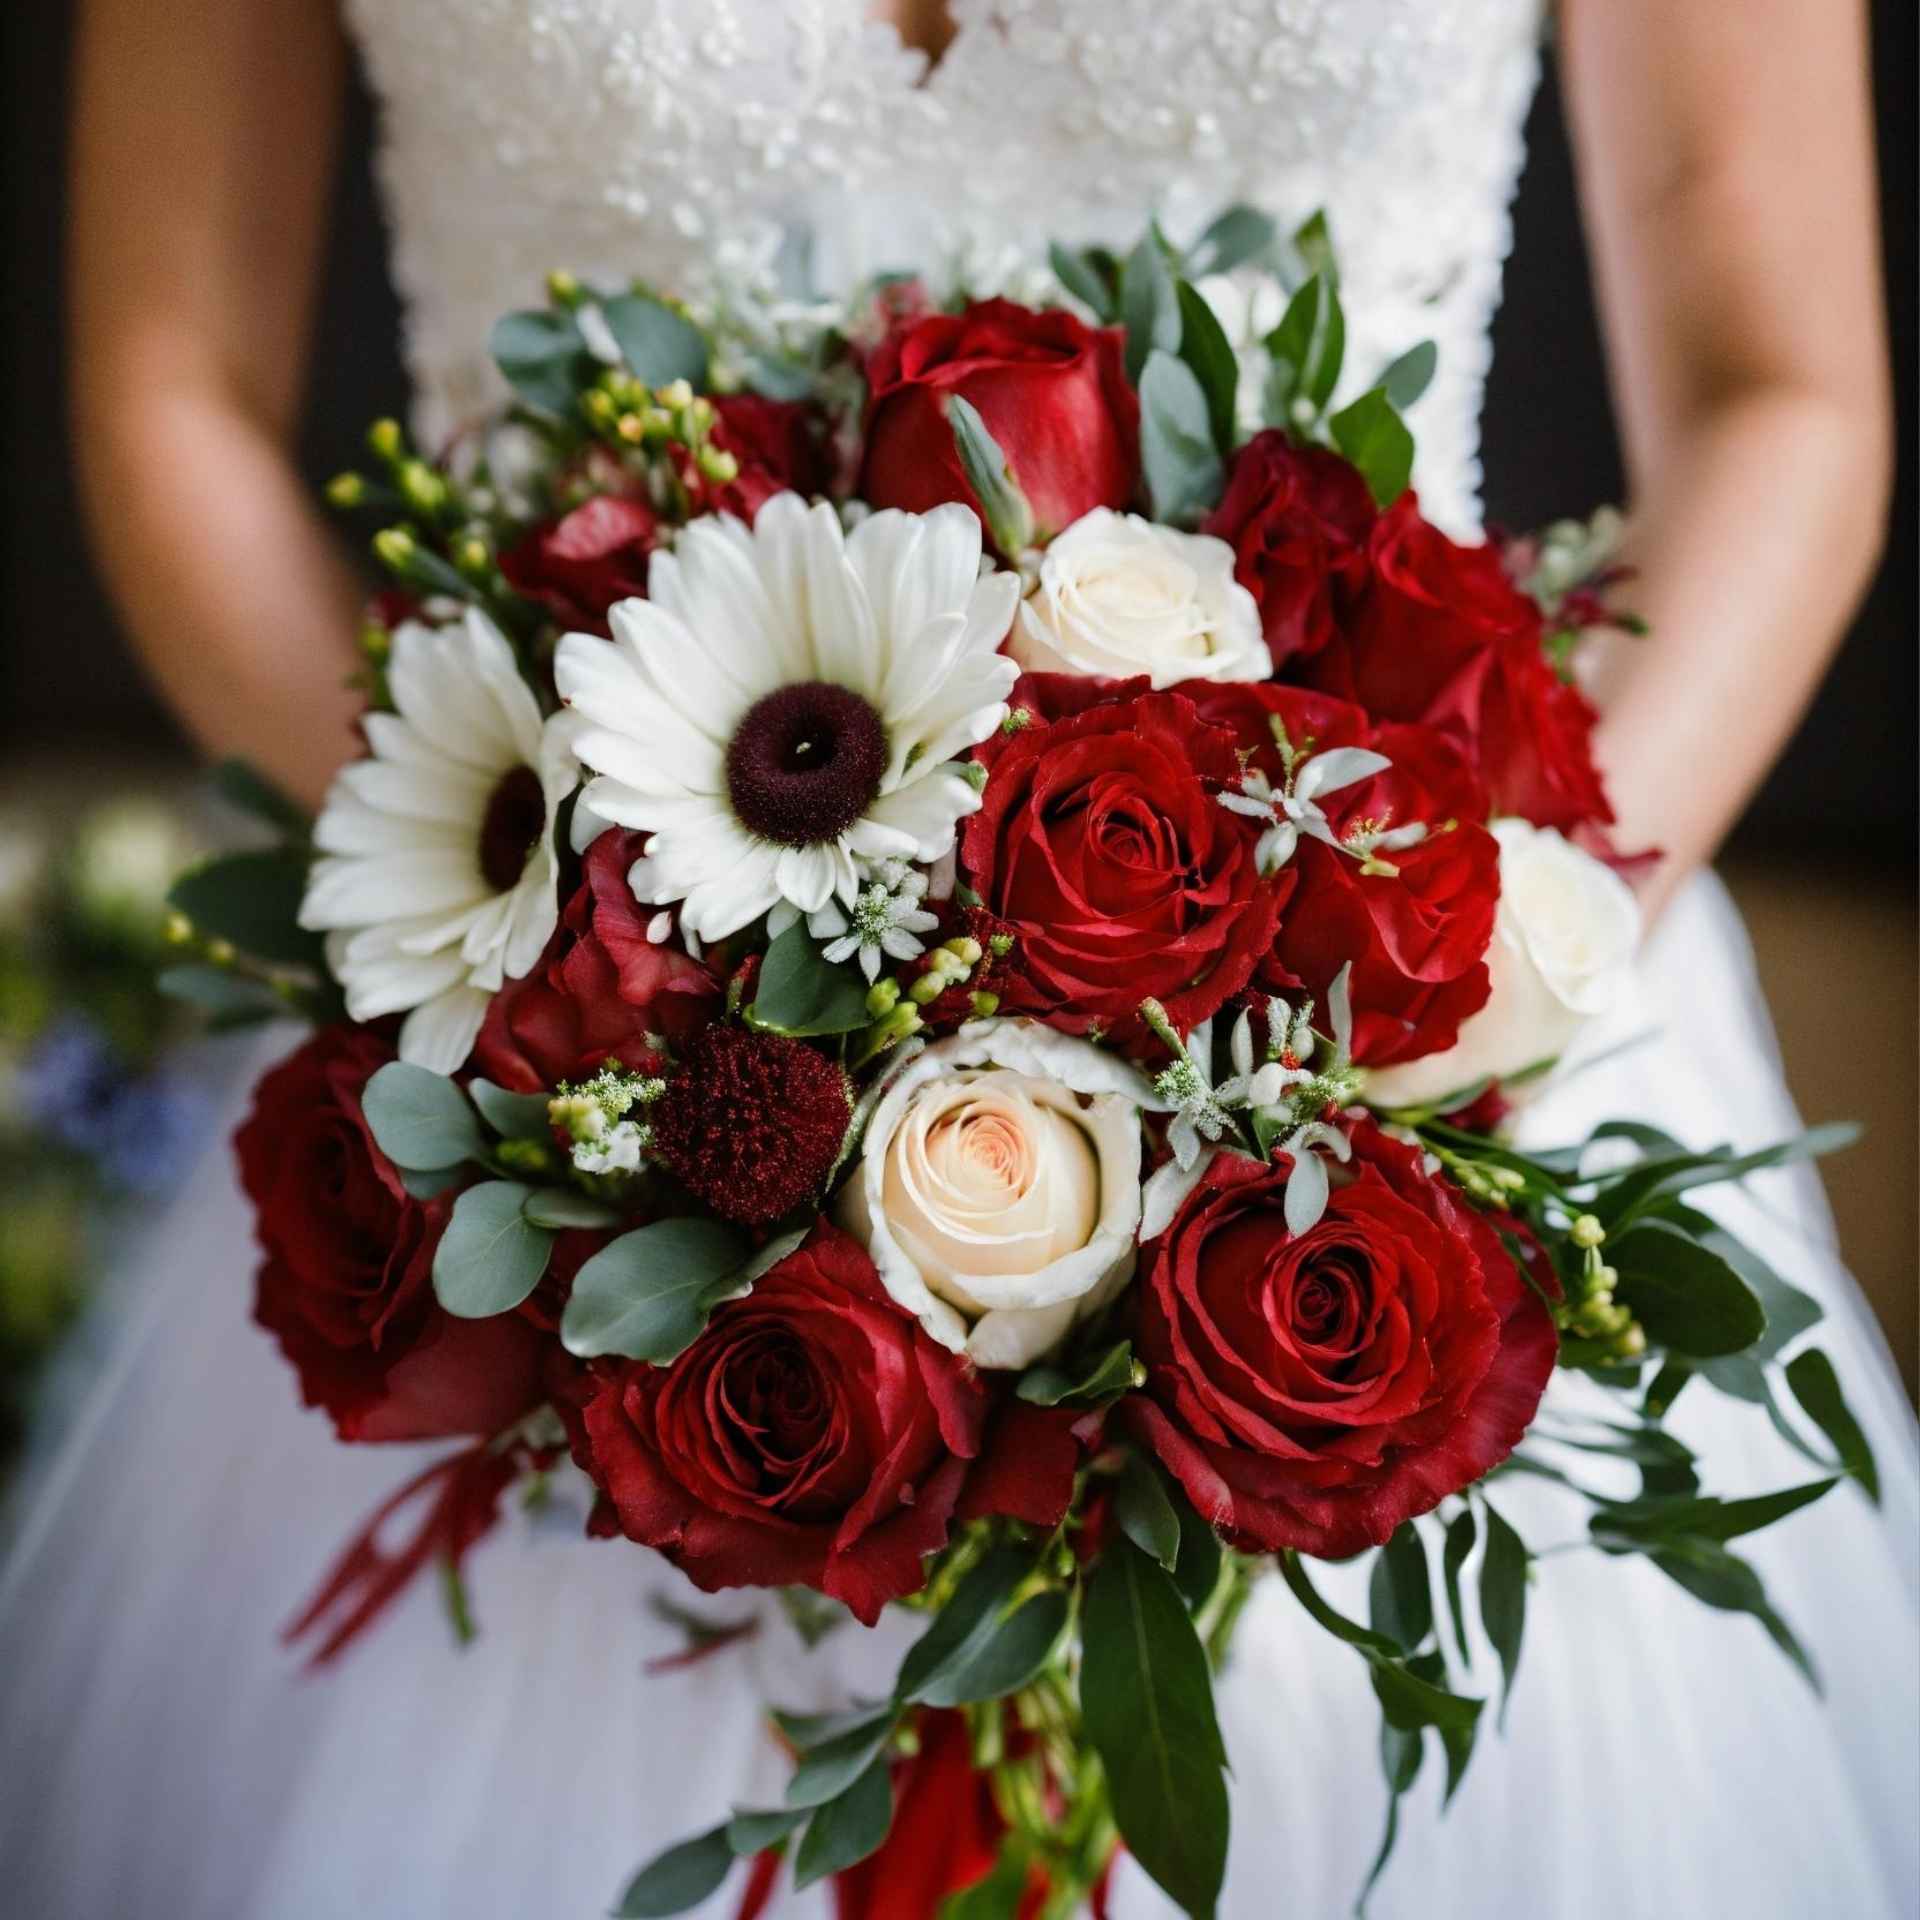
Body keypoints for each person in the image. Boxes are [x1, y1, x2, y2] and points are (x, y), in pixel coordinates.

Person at [2, 1, 1912, 1915]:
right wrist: (525, 951)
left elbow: (1781, 390)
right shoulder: (553, 1031)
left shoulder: (1410, 1039)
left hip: (1413, 1063)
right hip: (561, 1136)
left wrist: (1408, 1016)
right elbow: (175, 382)